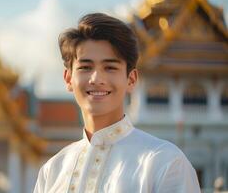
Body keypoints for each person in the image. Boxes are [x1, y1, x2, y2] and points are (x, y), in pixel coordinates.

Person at [33, 13, 200, 193]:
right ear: (68, 79)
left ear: (131, 79)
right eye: (85, 67)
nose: (97, 79)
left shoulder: (163, 163)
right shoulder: (52, 172)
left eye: (110, 67)